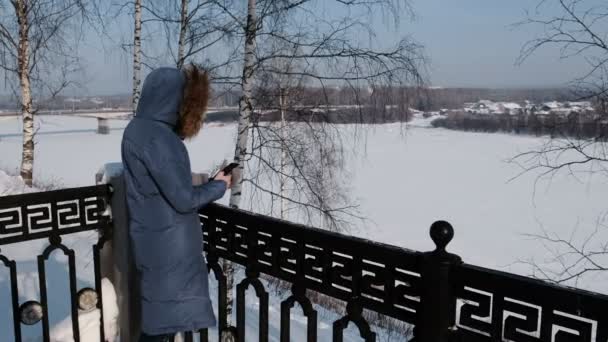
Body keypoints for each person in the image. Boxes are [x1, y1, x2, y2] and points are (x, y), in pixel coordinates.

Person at [121, 65, 231, 342]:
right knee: (162, 324)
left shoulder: (137, 129)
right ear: (176, 100)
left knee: (160, 315)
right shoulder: (161, 139)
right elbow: (184, 199)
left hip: (151, 235)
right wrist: (219, 185)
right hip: (170, 243)